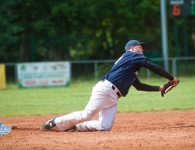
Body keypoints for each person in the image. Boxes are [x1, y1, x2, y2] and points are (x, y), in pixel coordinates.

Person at [40, 40, 179, 132]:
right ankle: (56, 121)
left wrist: (159, 88)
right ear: (131, 48)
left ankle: (76, 126)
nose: (142, 49)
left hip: (113, 97)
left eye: (142, 47)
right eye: (139, 46)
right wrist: (172, 78)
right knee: (87, 114)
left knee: (104, 127)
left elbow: (139, 86)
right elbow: (153, 67)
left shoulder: (129, 65)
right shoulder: (131, 56)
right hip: (106, 90)